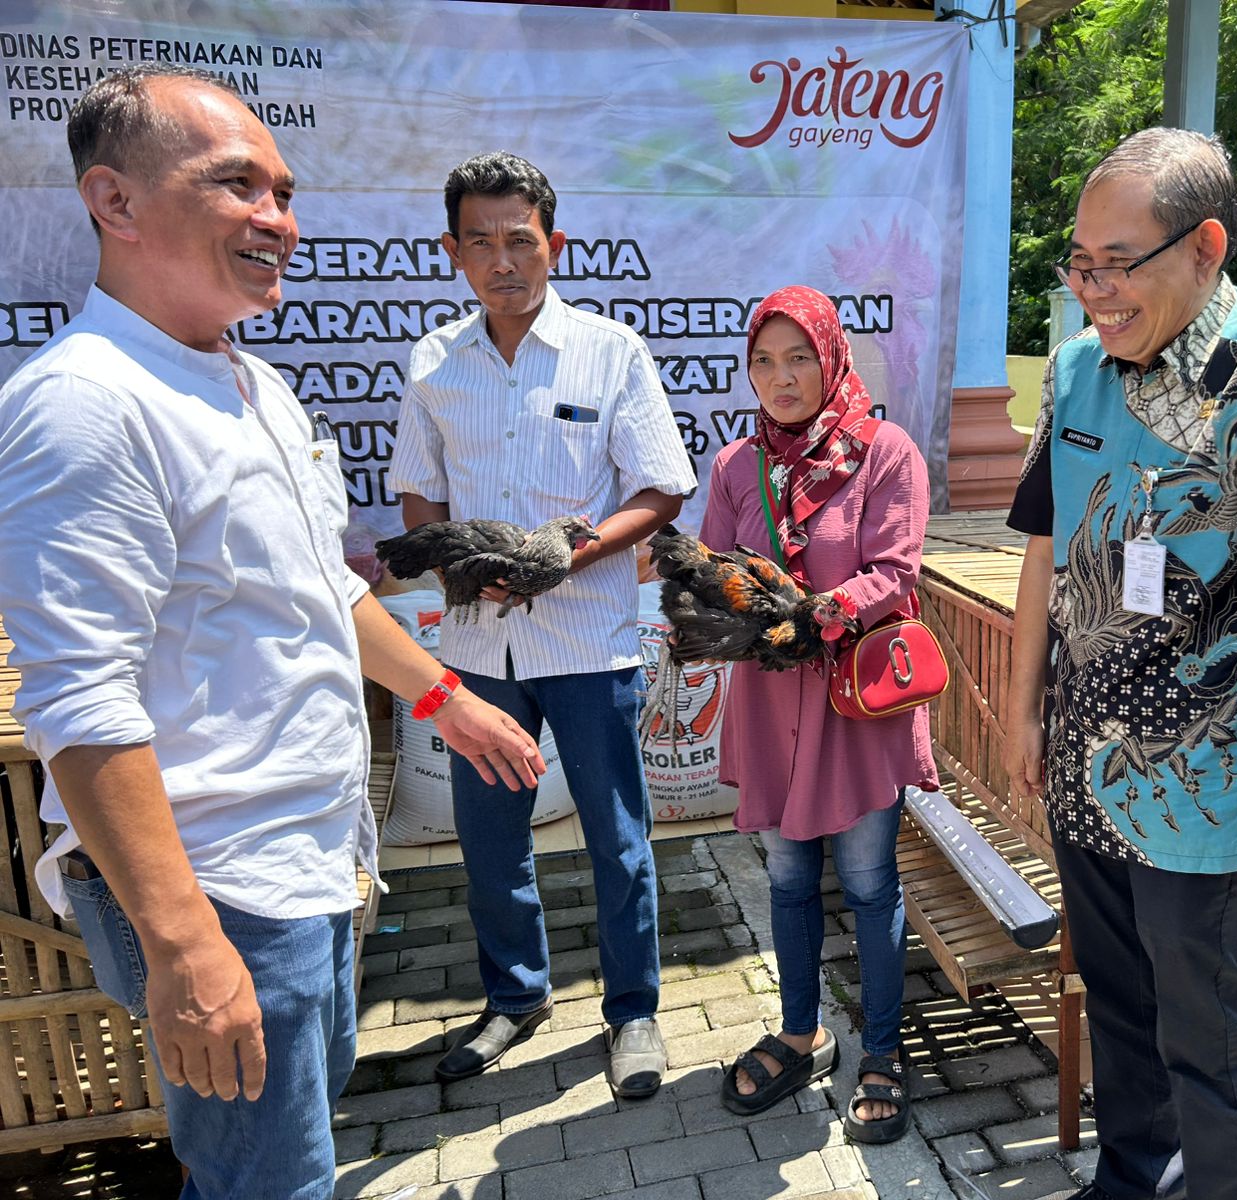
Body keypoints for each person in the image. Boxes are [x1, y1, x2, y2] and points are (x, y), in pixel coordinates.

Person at [0, 66, 544, 1199]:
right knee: (267, 1186)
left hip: (304, 867)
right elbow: (80, 703)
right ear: (115, 200)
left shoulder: (253, 386)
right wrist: (186, 947)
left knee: (284, 1159)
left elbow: (325, 596)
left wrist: (448, 699)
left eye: (285, 192)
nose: (277, 220)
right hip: (220, 888)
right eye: (236, 184)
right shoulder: (86, 406)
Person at [1003, 127, 1237, 1200]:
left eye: (1117, 264)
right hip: (1087, 762)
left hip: (1210, 787)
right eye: (1079, 264)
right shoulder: (1077, 368)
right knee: (1117, 1006)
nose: (1093, 292)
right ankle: (1132, 1183)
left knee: (1205, 1038)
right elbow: (1041, 550)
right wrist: (1025, 712)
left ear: (1205, 245)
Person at [390, 151, 697, 1094]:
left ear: (552, 243)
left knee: (617, 837)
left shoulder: (612, 351)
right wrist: (456, 558)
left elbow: (661, 490)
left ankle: (634, 1013)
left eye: (519, 239)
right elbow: (416, 496)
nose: (502, 261)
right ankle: (516, 996)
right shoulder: (435, 361)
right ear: (453, 252)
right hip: (481, 648)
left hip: (589, 640)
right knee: (491, 838)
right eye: (478, 242)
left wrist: (570, 553)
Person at [696, 285, 933, 1142]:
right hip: (768, 702)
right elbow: (715, 571)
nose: (781, 377)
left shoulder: (883, 452)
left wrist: (811, 613)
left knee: (870, 884)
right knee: (790, 879)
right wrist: (719, 607)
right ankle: (801, 1032)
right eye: (764, 359)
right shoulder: (734, 466)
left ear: (832, 358)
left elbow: (896, 573)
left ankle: (881, 1048)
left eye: (799, 357)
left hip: (854, 707)